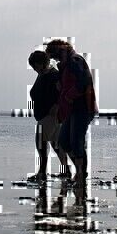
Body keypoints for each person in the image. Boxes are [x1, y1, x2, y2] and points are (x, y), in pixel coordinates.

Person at [45, 39, 97, 200]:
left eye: (55, 57)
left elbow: (84, 81)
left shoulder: (75, 61)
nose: (56, 61)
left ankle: (81, 175)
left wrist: (68, 95)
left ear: (60, 52)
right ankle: (80, 173)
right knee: (64, 142)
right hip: (71, 109)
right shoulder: (67, 65)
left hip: (82, 108)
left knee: (76, 142)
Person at [28, 50, 70, 183]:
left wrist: (57, 105)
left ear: (41, 63)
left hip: (50, 114)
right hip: (47, 115)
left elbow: (62, 91)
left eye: (35, 66)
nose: (34, 69)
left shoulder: (53, 75)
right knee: (56, 144)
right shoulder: (43, 74)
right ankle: (66, 171)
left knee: (41, 142)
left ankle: (42, 173)